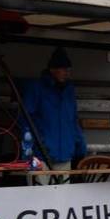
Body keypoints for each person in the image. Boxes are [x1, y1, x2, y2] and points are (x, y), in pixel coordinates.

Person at [22, 46, 86, 184]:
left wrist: (80, 145)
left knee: (63, 199)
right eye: (64, 69)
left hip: (65, 154)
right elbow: (25, 120)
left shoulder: (69, 90)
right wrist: (28, 152)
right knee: (39, 198)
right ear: (52, 70)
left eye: (68, 70)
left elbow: (73, 120)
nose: (67, 73)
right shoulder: (36, 88)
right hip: (40, 155)